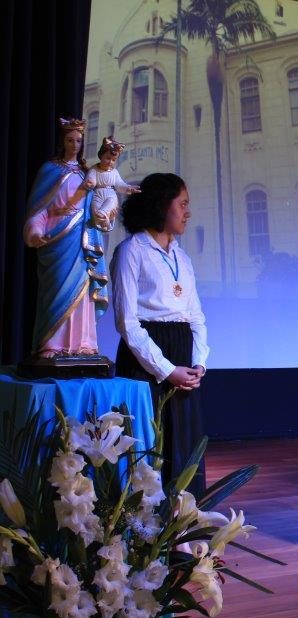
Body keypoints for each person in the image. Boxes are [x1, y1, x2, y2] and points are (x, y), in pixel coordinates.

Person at [111, 173, 208, 496]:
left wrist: (199, 362)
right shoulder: (131, 251)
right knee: (150, 441)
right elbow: (127, 322)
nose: (187, 212)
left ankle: (184, 519)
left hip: (182, 352)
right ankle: (146, 522)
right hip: (147, 358)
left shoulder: (182, 256)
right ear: (161, 206)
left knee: (183, 443)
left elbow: (196, 316)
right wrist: (166, 370)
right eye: (182, 204)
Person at [22, 117, 109, 358]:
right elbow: (39, 209)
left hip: (82, 239)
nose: (74, 145)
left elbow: (93, 206)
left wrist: (103, 215)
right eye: (70, 140)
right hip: (56, 239)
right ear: (62, 142)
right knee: (58, 292)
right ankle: (51, 345)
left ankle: (83, 344)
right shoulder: (50, 170)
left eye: (78, 141)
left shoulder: (86, 173)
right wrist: (35, 231)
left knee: (82, 292)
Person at [86, 136, 140, 229]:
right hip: (98, 194)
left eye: (113, 160)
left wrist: (128, 188)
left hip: (110, 194)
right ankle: (102, 221)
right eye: (108, 158)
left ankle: (104, 217)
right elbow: (91, 179)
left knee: (111, 202)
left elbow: (119, 184)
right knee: (95, 207)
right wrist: (90, 183)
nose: (110, 162)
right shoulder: (94, 169)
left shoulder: (114, 172)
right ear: (101, 155)